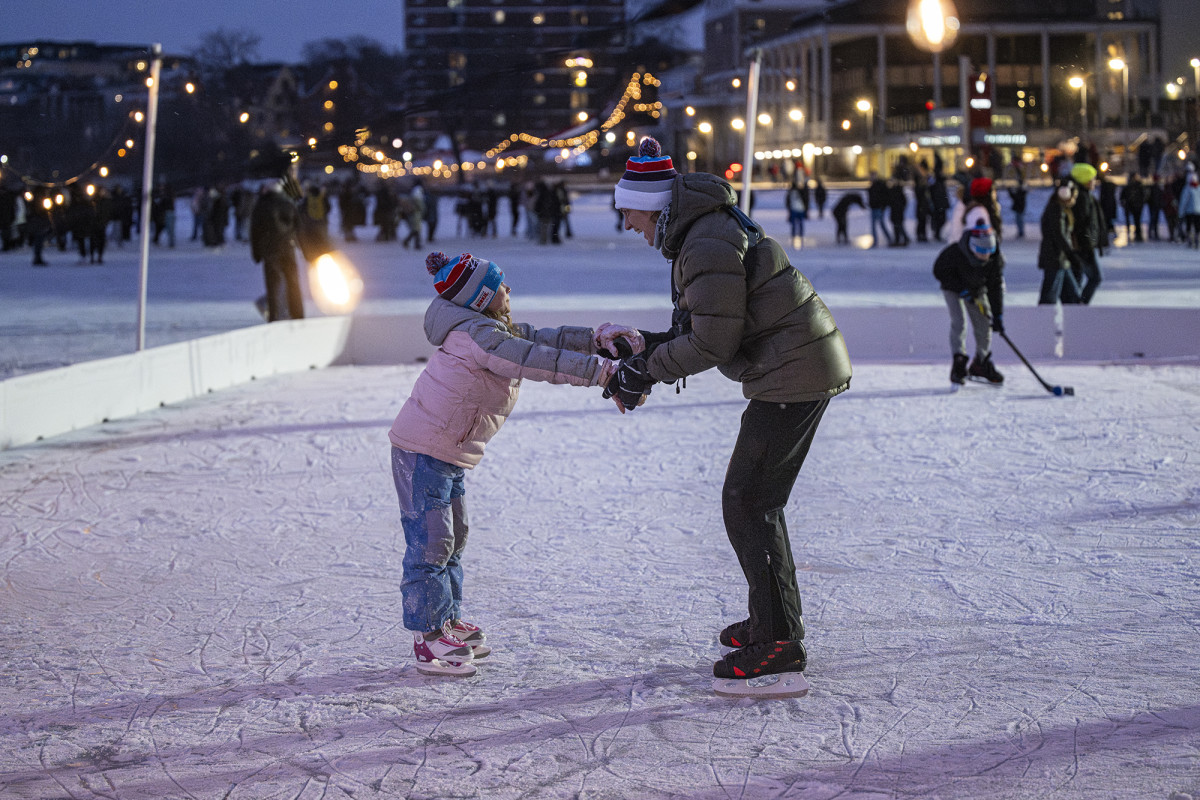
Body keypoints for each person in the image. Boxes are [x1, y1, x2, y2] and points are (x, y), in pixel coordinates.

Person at [607, 137, 852, 684]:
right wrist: (641, 348)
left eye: (628, 212)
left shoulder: (706, 242)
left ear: (653, 206)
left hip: (794, 371)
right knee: (754, 502)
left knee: (748, 503)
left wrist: (646, 370)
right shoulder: (699, 234)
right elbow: (699, 329)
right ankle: (775, 621)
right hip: (793, 366)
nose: (626, 224)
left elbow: (713, 344)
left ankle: (778, 639)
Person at [389, 251, 619, 676]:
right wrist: (600, 373)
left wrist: (595, 340)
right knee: (430, 541)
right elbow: (534, 359)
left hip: (444, 451)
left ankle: (447, 618)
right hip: (422, 451)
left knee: (453, 538)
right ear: (479, 299)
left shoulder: (489, 329)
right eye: (499, 285)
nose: (508, 289)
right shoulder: (480, 337)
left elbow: (543, 341)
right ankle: (429, 636)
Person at [932, 204, 1005, 385]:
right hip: (952, 286)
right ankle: (959, 361)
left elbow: (995, 286)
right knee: (959, 322)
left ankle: (981, 362)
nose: (985, 257)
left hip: (976, 288)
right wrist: (960, 288)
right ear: (972, 248)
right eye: (981, 252)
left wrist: (998, 315)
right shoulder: (955, 253)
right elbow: (939, 271)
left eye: (989, 252)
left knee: (984, 323)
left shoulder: (994, 259)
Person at [249, 155, 305, 322]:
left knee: (273, 284)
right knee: (293, 282)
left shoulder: (262, 205)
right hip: (288, 247)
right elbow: (298, 226)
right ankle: (298, 315)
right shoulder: (288, 203)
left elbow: (255, 230)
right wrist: (303, 248)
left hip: (270, 249)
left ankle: (275, 317)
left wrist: (257, 253)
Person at [1037, 180, 1085, 305]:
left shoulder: (1061, 209)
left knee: (1072, 297)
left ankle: (1073, 320)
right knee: (1049, 298)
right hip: (1055, 259)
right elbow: (1059, 235)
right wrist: (1071, 255)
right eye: (1073, 196)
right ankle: (1042, 320)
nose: (1074, 199)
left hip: (1061, 260)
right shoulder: (1056, 210)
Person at [1068, 163, 1105, 304]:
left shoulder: (1084, 195)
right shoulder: (1082, 198)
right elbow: (1082, 225)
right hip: (1083, 247)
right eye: (1092, 179)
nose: (1094, 182)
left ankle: (1076, 304)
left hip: (1082, 245)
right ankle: (1079, 304)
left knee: (1078, 276)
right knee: (1095, 277)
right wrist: (1088, 244)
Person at [867, 171, 892, 247]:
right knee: (874, 226)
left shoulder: (879, 185)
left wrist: (883, 206)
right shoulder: (872, 186)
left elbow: (884, 196)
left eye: (872, 176)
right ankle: (876, 240)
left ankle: (889, 239)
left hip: (878, 208)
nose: (871, 178)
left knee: (881, 224)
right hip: (874, 208)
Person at [1179, 169, 1200, 249]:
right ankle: (1196, 239)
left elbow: (1184, 202)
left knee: (1189, 226)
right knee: (1197, 227)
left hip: (1190, 211)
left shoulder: (1187, 189)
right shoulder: (1198, 189)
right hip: (1198, 211)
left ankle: (1190, 240)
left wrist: (1181, 212)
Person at [785, 178, 807, 248]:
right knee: (800, 223)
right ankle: (801, 234)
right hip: (801, 209)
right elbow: (805, 199)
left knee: (794, 224)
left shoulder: (790, 193)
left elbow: (788, 201)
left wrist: (789, 208)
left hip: (793, 209)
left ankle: (794, 234)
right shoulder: (800, 192)